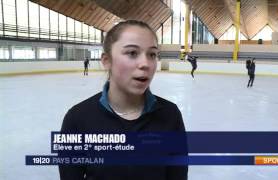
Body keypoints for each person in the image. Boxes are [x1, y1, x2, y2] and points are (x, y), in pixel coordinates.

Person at [59, 20, 188, 180]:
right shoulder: (77, 119)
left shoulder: (170, 115)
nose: (145, 64)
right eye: (132, 53)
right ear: (107, 61)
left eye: (152, 54)